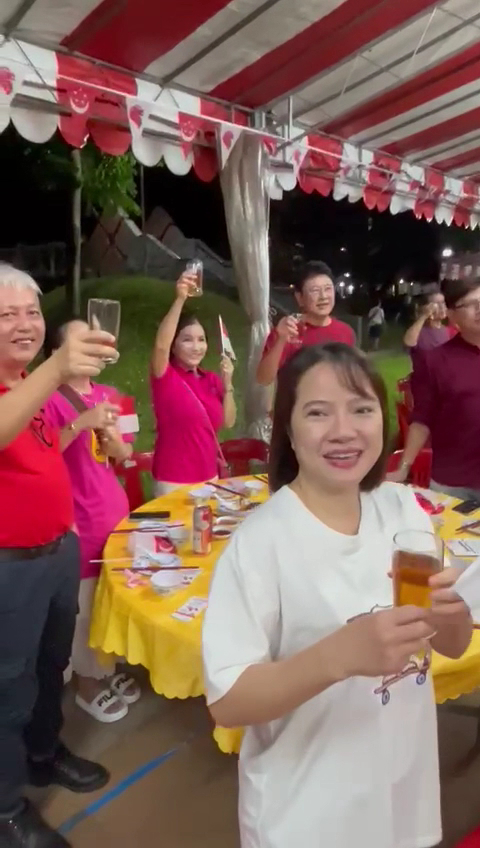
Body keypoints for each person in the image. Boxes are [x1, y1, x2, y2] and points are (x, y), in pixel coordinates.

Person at [203, 342, 472, 848]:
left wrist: (452, 610)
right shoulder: (262, 542)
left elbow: (451, 644)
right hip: (306, 810)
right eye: (318, 413)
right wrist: (339, 657)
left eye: (362, 409)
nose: (344, 430)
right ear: (288, 429)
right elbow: (228, 702)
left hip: (400, 790)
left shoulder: (402, 511)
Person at [0, 264, 118, 848]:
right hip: (10, 567)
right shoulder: (31, 383)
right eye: (7, 314)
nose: (25, 323)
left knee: (51, 667)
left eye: (32, 312)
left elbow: (45, 449)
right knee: (8, 687)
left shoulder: (28, 381)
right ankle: (5, 808)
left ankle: (44, 754)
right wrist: (56, 367)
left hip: (56, 551)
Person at [44, 318, 141, 724]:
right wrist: (81, 423)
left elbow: (126, 454)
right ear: (58, 353)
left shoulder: (110, 395)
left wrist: (114, 440)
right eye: (81, 341)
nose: (92, 347)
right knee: (84, 609)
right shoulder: (46, 401)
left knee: (112, 600)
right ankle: (86, 682)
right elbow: (42, 454)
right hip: (77, 519)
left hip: (114, 512)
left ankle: (107, 669)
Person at [389, 278, 480, 498]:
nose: (479, 309)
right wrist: (404, 467)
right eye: (471, 304)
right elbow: (422, 419)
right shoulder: (434, 361)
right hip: (455, 482)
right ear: (452, 314)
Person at [151, 272, 236, 495]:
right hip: (173, 481)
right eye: (187, 340)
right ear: (174, 346)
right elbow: (160, 345)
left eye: (201, 340)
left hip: (210, 478)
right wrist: (180, 298)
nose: (196, 347)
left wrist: (228, 384)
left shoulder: (211, 379)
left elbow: (228, 422)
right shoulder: (165, 376)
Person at [256, 261, 355, 386]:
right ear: (300, 298)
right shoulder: (288, 331)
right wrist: (281, 340)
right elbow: (263, 379)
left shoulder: (346, 332)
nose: (323, 296)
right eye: (315, 290)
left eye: (328, 289)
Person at [403, 288, 453, 355]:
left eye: (443, 302)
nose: (442, 307)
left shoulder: (446, 330)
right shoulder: (419, 332)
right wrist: (424, 315)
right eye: (437, 304)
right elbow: (408, 343)